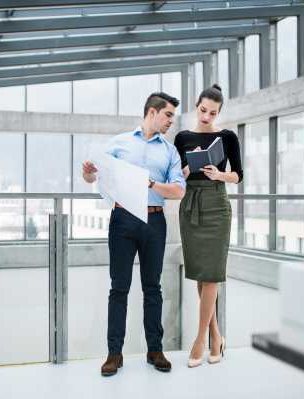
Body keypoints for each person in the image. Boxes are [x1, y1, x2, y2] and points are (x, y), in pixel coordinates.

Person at [82, 92, 186, 376]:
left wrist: (151, 183)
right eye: (168, 115)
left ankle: (155, 350)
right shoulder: (120, 142)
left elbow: (178, 190)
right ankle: (114, 354)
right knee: (119, 288)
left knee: (152, 288)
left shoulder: (169, 151)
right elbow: (92, 178)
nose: (170, 122)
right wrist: (89, 171)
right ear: (152, 112)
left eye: (173, 118)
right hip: (123, 219)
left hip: (155, 222)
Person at [173, 84, 243, 368]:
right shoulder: (182, 137)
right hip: (190, 204)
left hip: (216, 205)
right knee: (201, 274)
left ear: (219, 112)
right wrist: (190, 167)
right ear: (196, 105)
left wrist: (219, 174)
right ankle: (216, 335)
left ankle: (200, 339)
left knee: (211, 273)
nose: (206, 116)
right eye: (203, 110)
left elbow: (238, 176)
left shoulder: (227, 137)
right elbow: (177, 176)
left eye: (213, 112)